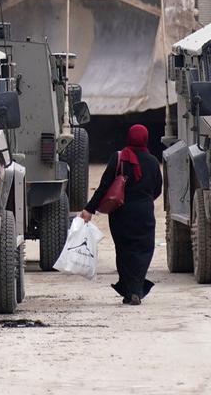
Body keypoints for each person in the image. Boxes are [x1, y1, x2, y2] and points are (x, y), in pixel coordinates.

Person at [80, 124, 162, 306]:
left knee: (124, 251)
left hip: (121, 213)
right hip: (144, 214)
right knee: (144, 250)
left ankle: (130, 290)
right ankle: (136, 289)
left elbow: (104, 187)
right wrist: (144, 199)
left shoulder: (119, 158)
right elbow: (157, 189)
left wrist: (89, 209)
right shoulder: (153, 162)